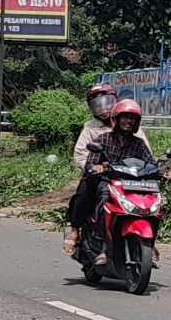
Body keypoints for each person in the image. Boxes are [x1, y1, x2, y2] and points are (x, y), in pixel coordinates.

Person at [67, 98, 156, 253]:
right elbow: (90, 162)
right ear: (116, 119)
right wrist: (97, 167)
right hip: (107, 182)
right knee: (98, 198)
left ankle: (150, 243)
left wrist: (164, 171)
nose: (129, 121)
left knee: (153, 203)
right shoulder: (103, 139)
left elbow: (151, 163)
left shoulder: (139, 144)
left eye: (132, 118)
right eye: (125, 117)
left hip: (131, 184)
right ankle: (85, 235)